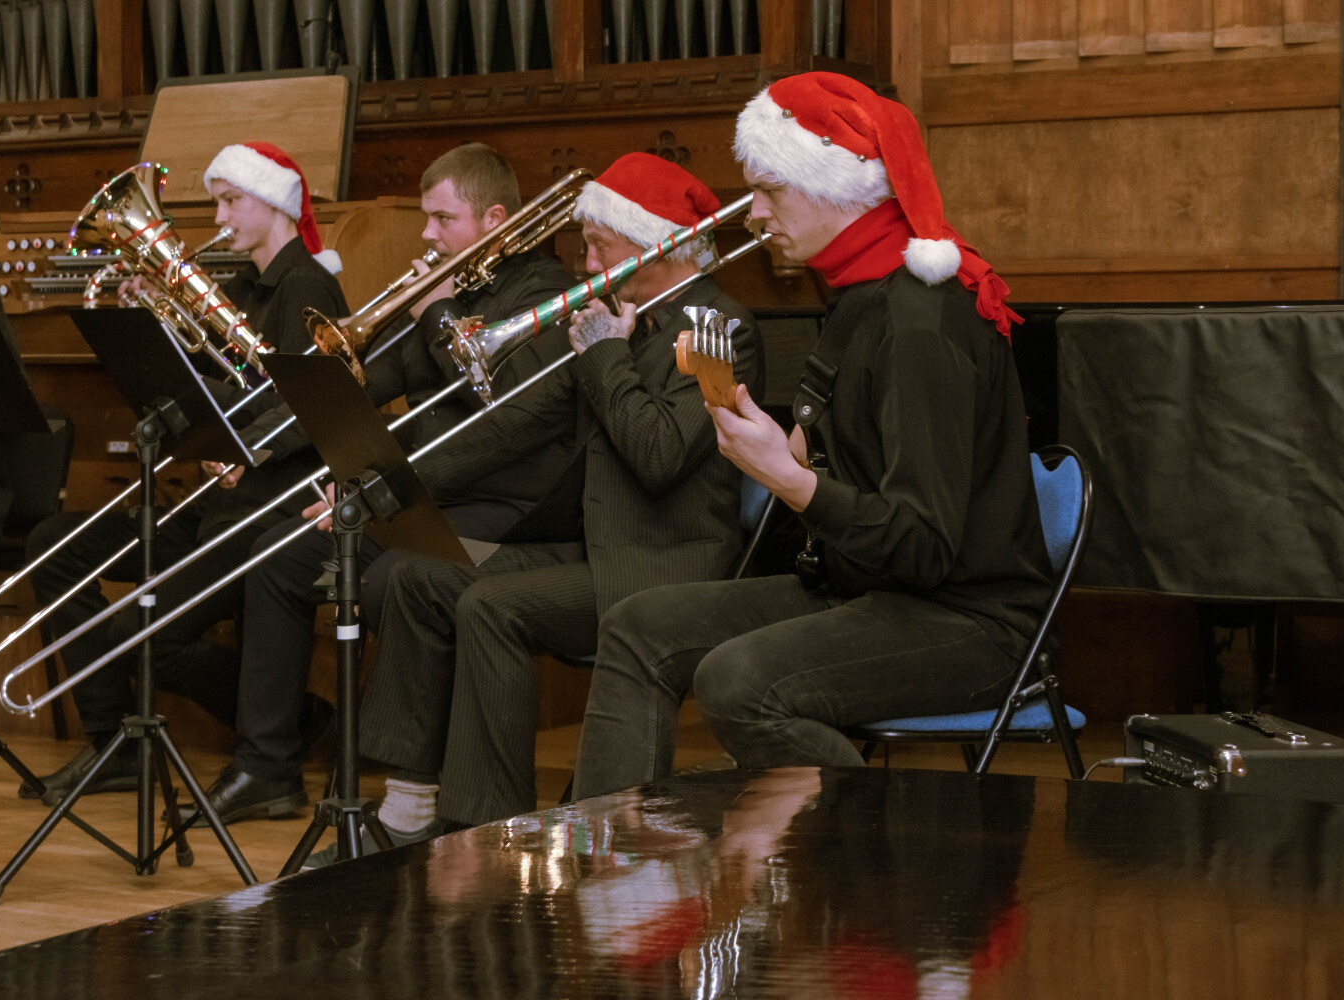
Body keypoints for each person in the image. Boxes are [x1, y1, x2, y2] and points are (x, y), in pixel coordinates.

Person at [571, 71, 1051, 799]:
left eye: (772, 190)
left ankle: (858, 875)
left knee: (738, 683)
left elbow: (923, 547)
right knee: (640, 626)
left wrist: (792, 480)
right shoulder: (860, 295)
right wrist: (793, 451)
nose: (755, 214)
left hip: (965, 619)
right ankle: (618, 885)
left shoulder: (921, 321)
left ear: (834, 187)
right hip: (863, 584)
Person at [303, 152, 762, 864]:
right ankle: (408, 806)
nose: (585, 258)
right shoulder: (618, 317)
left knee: (493, 606)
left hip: (660, 562)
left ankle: (480, 829)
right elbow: (513, 423)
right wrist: (374, 483)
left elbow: (662, 453)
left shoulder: (713, 329)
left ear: (654, 244)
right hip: (589, 543)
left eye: (602, 243)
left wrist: (605, 356)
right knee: (422, 575)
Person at [176, 143, 578, 825]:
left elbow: (503, 401)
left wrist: (437, 313)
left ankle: (414, 781)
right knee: (277, 556)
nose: (426, 235)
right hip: (420, 492)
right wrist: (254, 444)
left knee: (395, 574)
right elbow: (359, 383)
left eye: (441, 219)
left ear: (494, 218)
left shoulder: (544, 290)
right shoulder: (453, 288)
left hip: (503, 504)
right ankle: (268, 765)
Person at [22, 142, 349, 803]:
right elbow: (212, 389)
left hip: (270, 508)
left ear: (277, 202)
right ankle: (112, 741)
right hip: (217, 505)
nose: (221, 215)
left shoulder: (307, 285)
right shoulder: (241, 287)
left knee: (135, 634)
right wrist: (155, 328)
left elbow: (303, 402)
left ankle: (290, 724)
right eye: (218, 200)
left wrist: (243, 446)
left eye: (232, 200)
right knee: (54, 547)